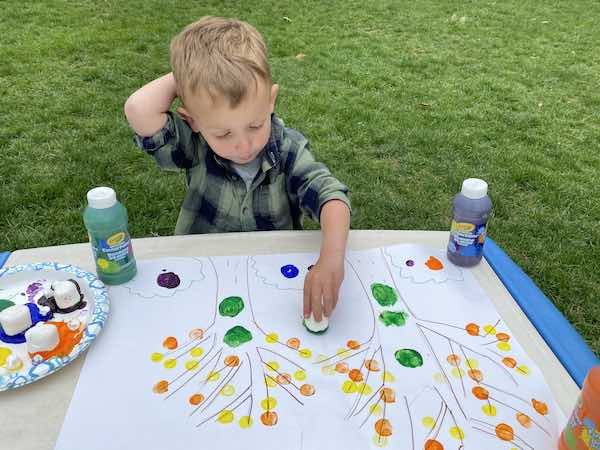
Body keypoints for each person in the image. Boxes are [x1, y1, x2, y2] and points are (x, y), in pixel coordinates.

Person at [124, 16, 351, 325]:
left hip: (274, 283)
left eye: (255, 124)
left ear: (270, 101)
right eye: (223, 134)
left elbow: (330, 196)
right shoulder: (195, 145)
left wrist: (332, 258)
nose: (244, 145)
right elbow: (138, 109)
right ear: (193, 121)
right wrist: (188, 78)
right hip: (205, 278)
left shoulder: (287, 148)